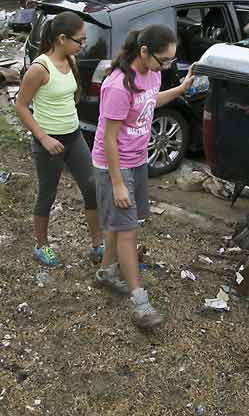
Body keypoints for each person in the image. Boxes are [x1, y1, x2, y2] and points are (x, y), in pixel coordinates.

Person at [92, 25, 195, 329]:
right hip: (115, 164)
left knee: (120, 223)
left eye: (170, 61)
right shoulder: (117, 86)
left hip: (137, 160)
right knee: (128, 231)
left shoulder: (153, 74)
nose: (166, 66)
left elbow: (150, 100)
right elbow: (108, 139)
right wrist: (117, 182)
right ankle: (141, 303)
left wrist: (179, 90)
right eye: (163, 60)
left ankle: (107, 273)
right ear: (144, 52)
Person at [15, 12, 103, 268]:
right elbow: (20, 106)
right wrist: (43, 137)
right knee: (47, 194)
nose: (82, 45)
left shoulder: (71, 60)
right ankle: (41, 246)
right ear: (62, 38)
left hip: (73, 137)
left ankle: (98, 244)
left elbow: (70, 97)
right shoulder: (39, 69)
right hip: (48, 142)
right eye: (80, 40)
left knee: (91, 186)